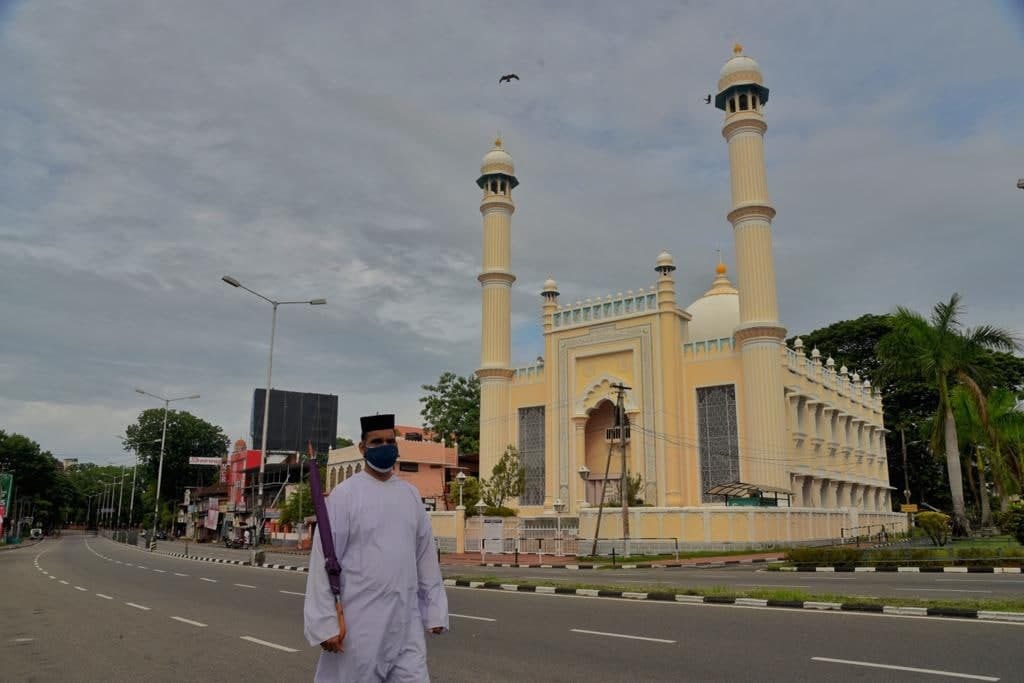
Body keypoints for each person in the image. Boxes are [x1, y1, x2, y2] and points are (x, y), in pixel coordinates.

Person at [304, 414, 448, 682]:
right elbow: (324, 560)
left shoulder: (410, 495)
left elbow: (425, 555)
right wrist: (325, 623)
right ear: (362, 448)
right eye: (377, 441)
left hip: (406, 622)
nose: (385, 447)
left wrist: (434, 610)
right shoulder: (345, 496)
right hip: (361, 624)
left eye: (390, 441)